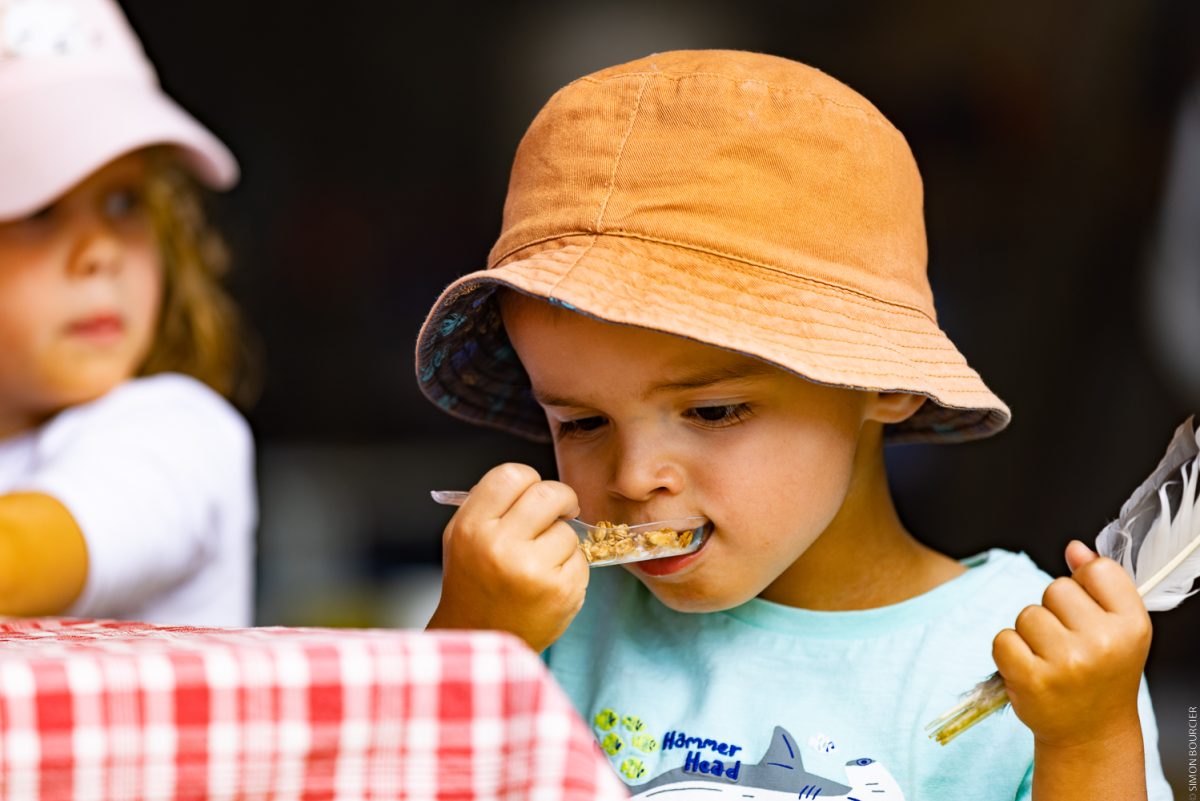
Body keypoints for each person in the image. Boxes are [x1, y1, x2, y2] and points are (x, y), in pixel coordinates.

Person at [413, 51, 1173, 799]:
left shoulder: (1039, 664)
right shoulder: (544, 621)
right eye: (580, 422)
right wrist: (474, 640)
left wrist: (1087, 741)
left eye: (713, 410)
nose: (633, 474)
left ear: (884, 378)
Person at [0, 0, 255, 626]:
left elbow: (22, 558)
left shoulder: (176, 433)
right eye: (40, 208)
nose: (100, 253)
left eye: (123, 202)